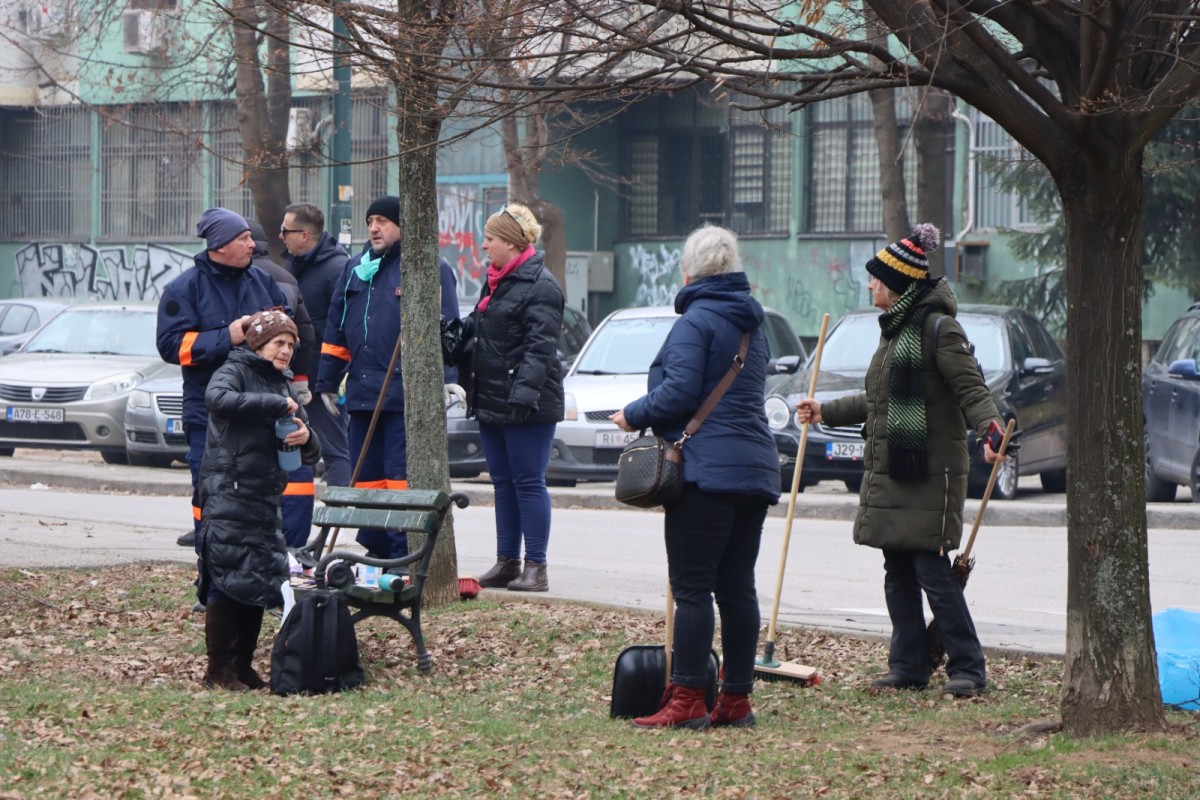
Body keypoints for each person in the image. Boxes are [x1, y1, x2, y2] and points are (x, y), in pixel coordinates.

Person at [795, 224, 1016, 699]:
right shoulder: (895, 333)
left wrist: (994, 434)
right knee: (897, 569)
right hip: (896, 469)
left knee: (933, 571)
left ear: (897, 284)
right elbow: (879, 400)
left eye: (876, 278)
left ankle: (968, 669)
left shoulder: (939, 330)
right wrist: (825, 411)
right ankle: (909, 666)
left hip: (930, 474)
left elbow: (972, 390)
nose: (870, 285)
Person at [610, 224, 780, 729]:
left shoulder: (696, 322)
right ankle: (736, 701)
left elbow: (681, 393)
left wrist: (633, 414)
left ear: (689, 271)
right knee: (737, 588)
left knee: (692, 588)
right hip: (754, 470)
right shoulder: (755, 324)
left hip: (706, 472)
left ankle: (686, 701)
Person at [315, 195, 458, 559]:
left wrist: (448, 377)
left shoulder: (426, 267)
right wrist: (327, 382)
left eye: (383, 221)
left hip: (403, 397)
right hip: (362, 395)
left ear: (403, 226)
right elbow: (336, 329)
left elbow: (447, 329)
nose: (374, 228)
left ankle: (401, 553)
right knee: (366, 480)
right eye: (370, 221)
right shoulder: (355, 269)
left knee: (399, 478)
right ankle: (375, 548)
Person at [197, 309, 321, 690]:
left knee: (257, 579)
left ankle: (243, 666)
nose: (285, 351)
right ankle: (217, 671)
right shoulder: (233, 369)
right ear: (259, 344)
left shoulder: (282, 384)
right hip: (229, 491)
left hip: (265, 497)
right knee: (225, 576)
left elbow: (312, 449)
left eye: (289, 345)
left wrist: (306, 439)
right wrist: (273, 405)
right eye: (278, 343)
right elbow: (217, 399)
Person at [157, 208, 290, 558]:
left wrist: (277, 341)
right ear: (219, 246)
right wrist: (226, 336)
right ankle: (212, 578)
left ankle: (260, 574)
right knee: (210, 491)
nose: (252, 244)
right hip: (208, 411)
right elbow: (171, 347)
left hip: (260, 406)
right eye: (243, 238)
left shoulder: (261, 281)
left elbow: (287, 332)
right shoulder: (184, 289)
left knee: (260, 490)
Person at [452, 204, 564, 593]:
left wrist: (524, 395)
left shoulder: (541, 285)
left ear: (514, 244)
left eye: (491, 239)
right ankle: (506, 562)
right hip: (493, 398)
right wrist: (454, 335)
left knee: (528, 482)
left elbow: (541, 348)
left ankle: (537, 566)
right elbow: (481, 331)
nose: (484, 246)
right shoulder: (497, 281)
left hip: (527, 403)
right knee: (502, 482)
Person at [247, 219, 318, 549]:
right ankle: (291, 549)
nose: (286, 350)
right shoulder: (286, 277)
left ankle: (285, 551)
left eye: (289, 346)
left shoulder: (245, 279)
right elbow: (306, 333)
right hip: (283, 387)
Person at [280, 202, 352, 489]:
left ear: (305, 235)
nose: (280, 235)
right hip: (296, 375)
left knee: (335, 450)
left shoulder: (336, 269)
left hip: (323, 380)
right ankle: (302, 524)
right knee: (296, 448)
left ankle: (339, 525)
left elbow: (343, 326)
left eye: (286, 230)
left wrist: (332, 380)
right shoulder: (294, 265)